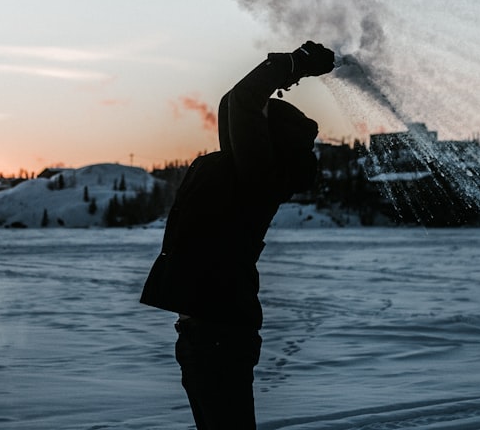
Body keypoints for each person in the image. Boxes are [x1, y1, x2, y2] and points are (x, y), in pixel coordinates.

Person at [140, 40, 336, 430]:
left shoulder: (260, 174)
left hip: (219, 335)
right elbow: (234, 103)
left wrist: (292, 66)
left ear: (270, 139)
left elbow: (243, 103)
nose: (252, 120)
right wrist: (290, 71)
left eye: (264, 120)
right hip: (208, 333)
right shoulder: (246, 169)